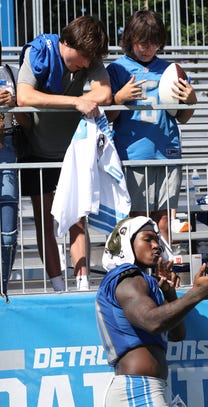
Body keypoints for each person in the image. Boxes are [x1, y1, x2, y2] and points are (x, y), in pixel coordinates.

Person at [16, 16, 112, 291]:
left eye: (89, 60)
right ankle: (58, 285)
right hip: (38, 151)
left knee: (77, 219)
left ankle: (82, 284)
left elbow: (104, 94)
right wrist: (75, 101)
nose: (85, 64)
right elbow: (25, 97)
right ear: (66, 42)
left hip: (73, 153)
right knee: (45, 221)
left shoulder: (89, 58)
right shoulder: (40, 51)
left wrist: (87, 96)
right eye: (81, 57)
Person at [96, 216, 208, 406]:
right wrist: (196, 294)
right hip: (138, 391)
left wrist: (169, 293)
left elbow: (177, 334)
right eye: (148, 239)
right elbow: (152, 322)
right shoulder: (127, 278)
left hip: (147, 388)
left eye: (156, 240)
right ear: (126, 242)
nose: (156, 245)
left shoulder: (141, 280)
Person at [106, 10, 197, 242]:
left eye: (154, 42)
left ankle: (162, 276)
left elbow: (183, 118)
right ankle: (139, 277)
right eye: (142, 42)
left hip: (167, 154)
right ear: (130, 39)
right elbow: (107, 116)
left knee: (164, 222)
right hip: (134, 156)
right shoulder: (117, 69)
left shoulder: (170, 70)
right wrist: (119, 98)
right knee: (137, 223)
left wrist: (191, 101)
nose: (148, 48)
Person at [0, 43, 32, 301]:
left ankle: (3, 289)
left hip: (8, 146)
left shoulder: (11, 72)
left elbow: (28, 120)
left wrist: (14, 105)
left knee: (9, 233)